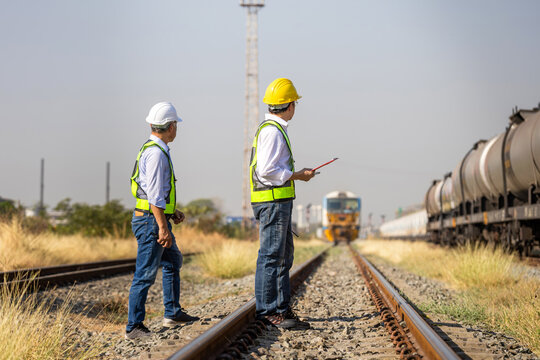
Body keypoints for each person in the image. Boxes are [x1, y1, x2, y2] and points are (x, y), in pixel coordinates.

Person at [125, 102, 199, 340]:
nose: (176, 128)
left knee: (173, 260)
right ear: (170, 126)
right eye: (175, 124)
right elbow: (155, 196)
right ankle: (133, 327)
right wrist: (162, 227)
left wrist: (171, 211)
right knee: (145, 274)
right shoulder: (157, 154)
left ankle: (172, 312)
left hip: (153, 217)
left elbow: (153, 193)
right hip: (150, 221)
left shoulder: (154, 148)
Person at [250, 78, 315, 329]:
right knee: (272, 256)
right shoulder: (272, 131)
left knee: (282, 256)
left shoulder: (274, 129)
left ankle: (281, 307)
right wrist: (297, 175)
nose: (295, 107)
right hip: (273, 201)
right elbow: (266, 171)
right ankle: (269, 311)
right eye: (294, 103)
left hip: (277, 201)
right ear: (289, 105)